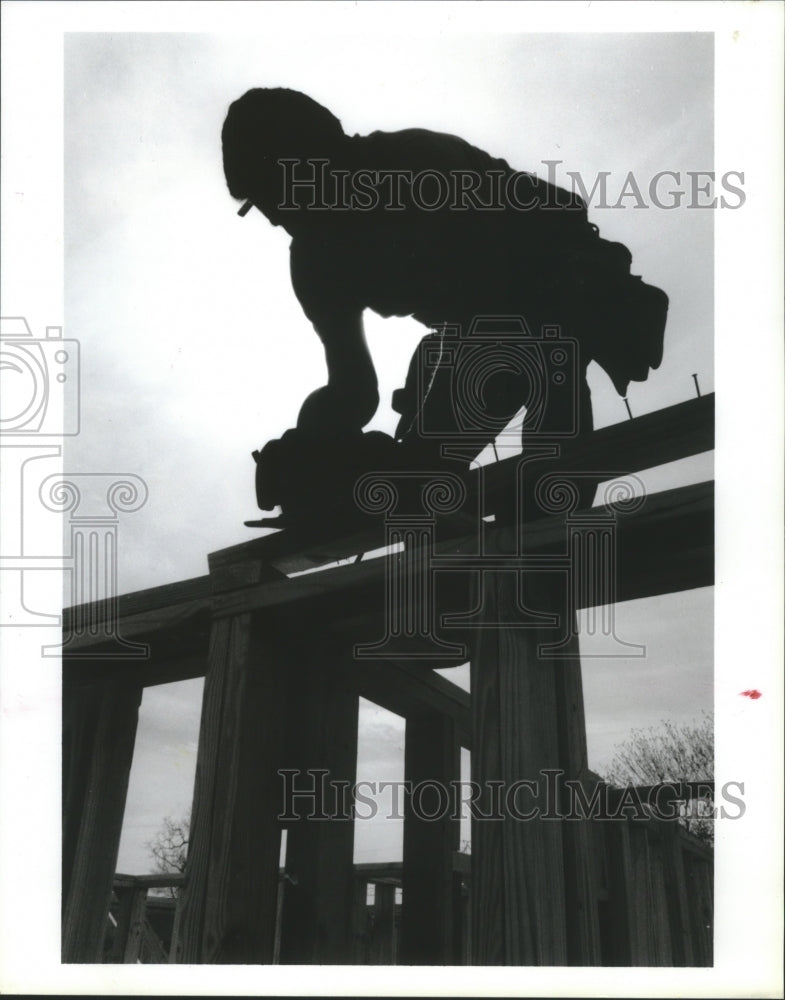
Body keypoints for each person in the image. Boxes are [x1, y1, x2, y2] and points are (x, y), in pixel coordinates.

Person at [221, 88, 667, 520]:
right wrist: (310, 440)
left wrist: (420, 460)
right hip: (483, 329)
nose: (274, 216)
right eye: (258, 204)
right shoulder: (316, 262)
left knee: (533, 414)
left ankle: (543, 530)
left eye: (274, 191)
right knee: (416, 479)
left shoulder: (419, 167)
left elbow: (503, 312)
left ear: (316, 159)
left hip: (557, 287)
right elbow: (352, 388)